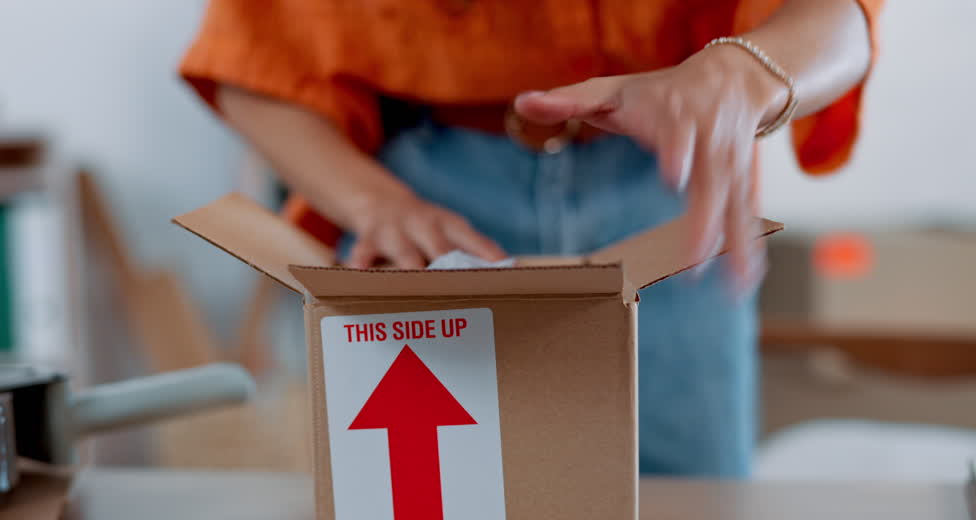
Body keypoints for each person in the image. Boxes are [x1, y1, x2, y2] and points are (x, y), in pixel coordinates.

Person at [180, 0, 880, 477]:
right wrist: (371, 201)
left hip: (666, 190)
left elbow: (841, 18)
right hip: (427, 196)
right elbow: (252, 55)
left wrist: (746, 71)